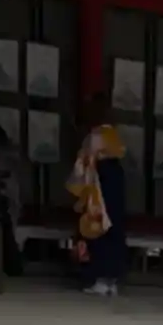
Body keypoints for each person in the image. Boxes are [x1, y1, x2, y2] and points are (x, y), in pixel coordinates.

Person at [67, 95, 127, 298]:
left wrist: (78, 191)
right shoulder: (114, 136)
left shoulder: (93, 137)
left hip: (98, 183)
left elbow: (83, 165)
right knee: (114, 228)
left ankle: (99, 278)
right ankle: (112, 281)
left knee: (97, 228)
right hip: (115, 182)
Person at [0, 120, 25, 279]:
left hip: (5, 196)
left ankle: (11, 264)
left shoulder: (4, 157)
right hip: (5, 197)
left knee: (7, 229)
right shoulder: (7, 156)